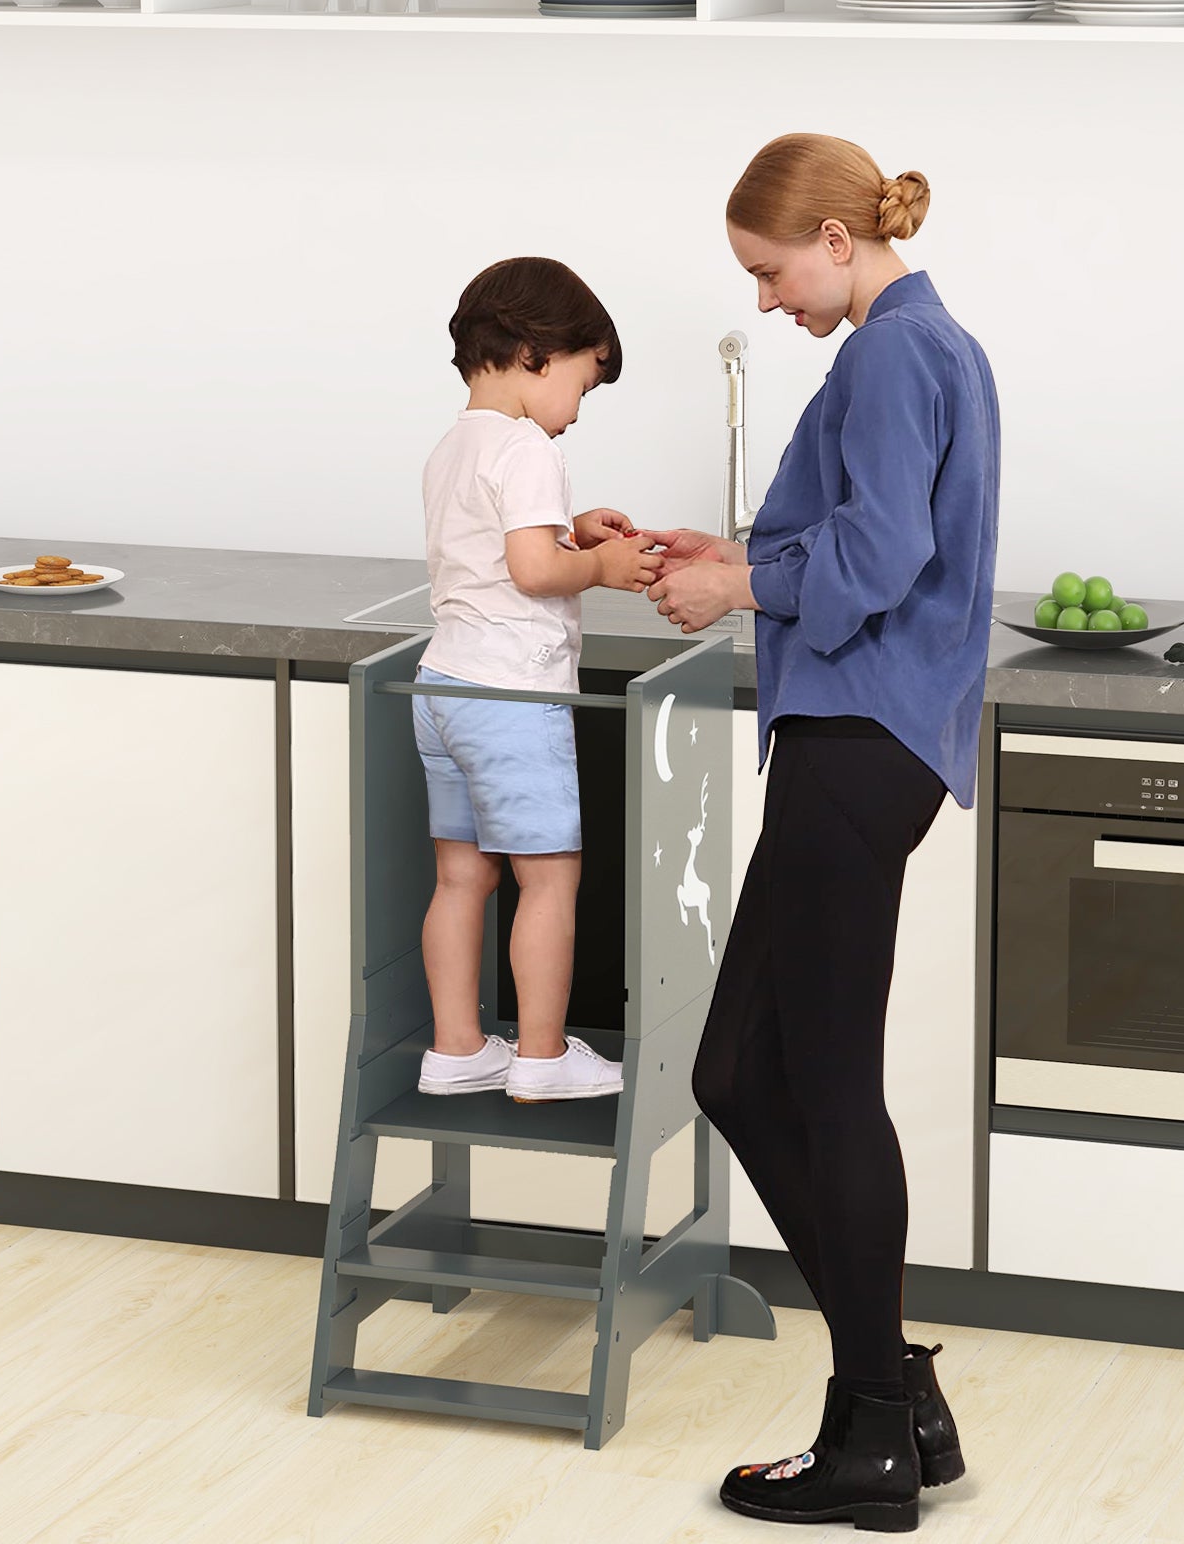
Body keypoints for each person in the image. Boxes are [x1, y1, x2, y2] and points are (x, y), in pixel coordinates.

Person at [646, 134, 1000, 1532]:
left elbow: (878, 558)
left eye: (771, 269)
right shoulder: (915, 344)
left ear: (837, 240)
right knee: (739, 1069)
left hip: (859, 742)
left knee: (826, 1082)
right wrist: (730, 562)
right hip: (861, 743)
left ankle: (868, 1438)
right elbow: (855, 538)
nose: (768, 298)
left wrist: (740, 591)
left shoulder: (895, 354)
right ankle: (896, 1391)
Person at [413, 256, 661, 1105]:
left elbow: (500, 547)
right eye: (584, 389)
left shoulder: (456, 444)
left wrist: (573, 532)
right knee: (548, 879)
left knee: (460, 876)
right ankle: (544, 1056)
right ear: (534, 352)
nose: (576, 415)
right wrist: (601, 564)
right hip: (512, 698)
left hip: (442, 686)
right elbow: (530, 569)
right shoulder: (526, 446)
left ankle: (456, 1050)